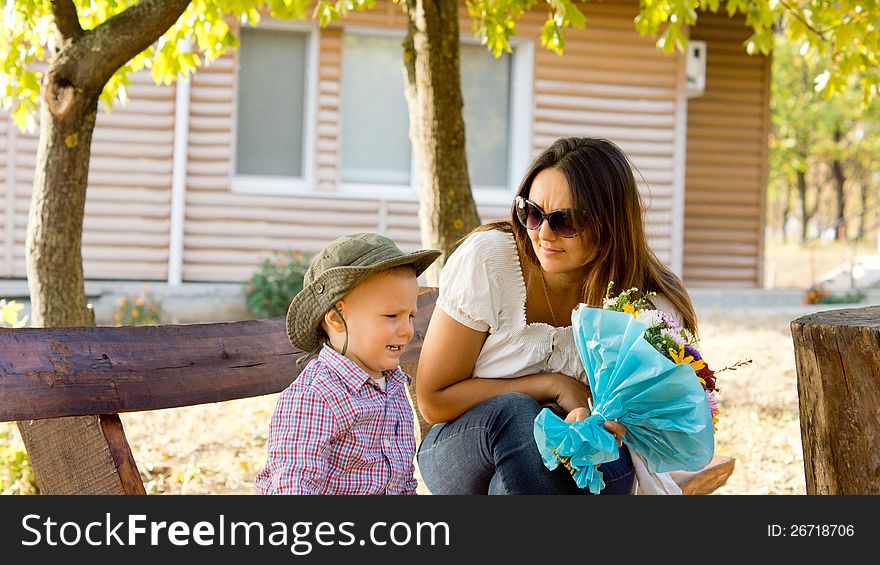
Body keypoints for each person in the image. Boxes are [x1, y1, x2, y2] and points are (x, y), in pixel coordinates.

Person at [415, 137, 699, 495]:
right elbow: (434, 400)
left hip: (566, 466)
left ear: (610, 224)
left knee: (520, 481)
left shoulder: (644, 306)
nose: (543, 233)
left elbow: (655, 421)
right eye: (532, 212)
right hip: (465, 446)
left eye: (565, 220)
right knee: (519, 418)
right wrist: (552, 385)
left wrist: (603, 421)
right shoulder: (490, 261)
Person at [255, 233, 441, 495]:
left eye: (409, 316)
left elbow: (401, 482)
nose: (407, 330)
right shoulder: (315, 396)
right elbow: (294, 487)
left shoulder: (394, 387)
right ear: (335, 319)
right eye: (391, 316)